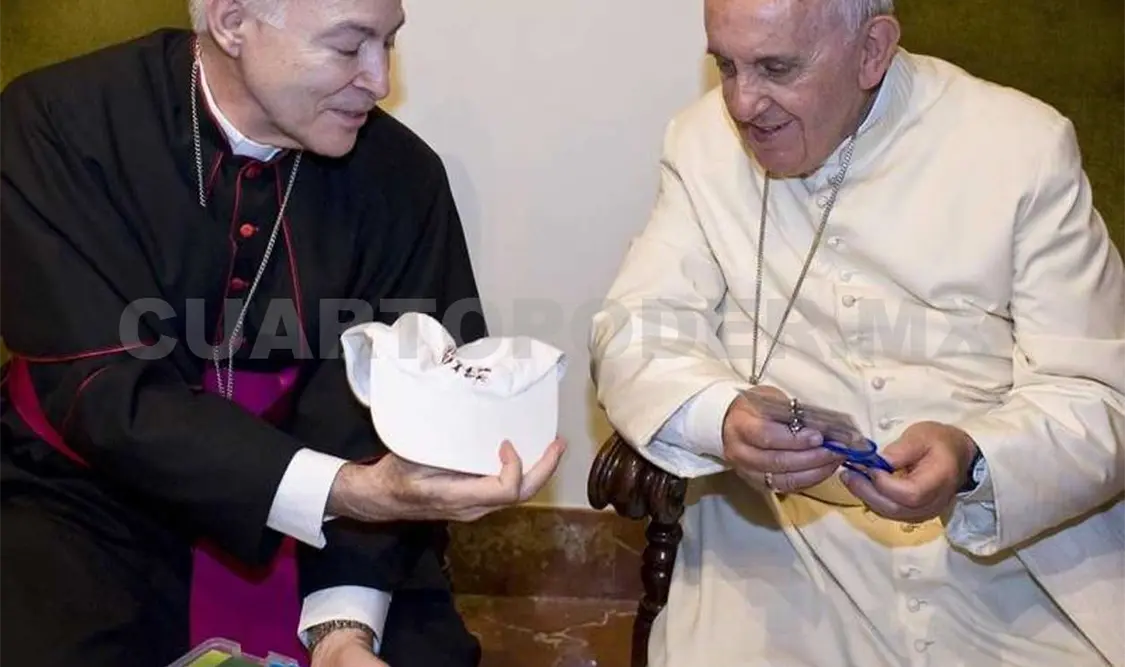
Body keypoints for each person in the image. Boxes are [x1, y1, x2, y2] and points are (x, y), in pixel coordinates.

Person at [0, 1, 566, 666]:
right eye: (349, 45)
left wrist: (343, 628)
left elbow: (399, 415)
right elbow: (99, 390)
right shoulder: (56, 122)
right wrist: (347, 490)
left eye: (389, 43)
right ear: (232, 21)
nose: (379, 80)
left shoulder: (402, 176)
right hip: (86, 494)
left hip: (343, 526)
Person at [588, 0, 1125, 665]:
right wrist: (719, 416)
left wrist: (974, 457)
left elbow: (1098, 395)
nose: (742, 103)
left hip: (1005, 554)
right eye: (725, 66)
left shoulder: (1021, 147)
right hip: (786, 548)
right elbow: (633, 331)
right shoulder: (699, 146)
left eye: (775, 68)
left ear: (871, 50)